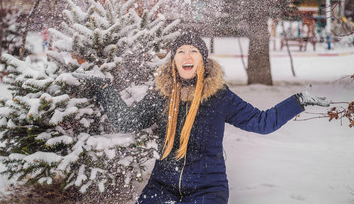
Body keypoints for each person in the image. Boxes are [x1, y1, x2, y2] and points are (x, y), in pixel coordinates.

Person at [76, 32, 330, 204]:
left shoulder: (219, 96)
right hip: (162, 185)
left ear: (202, 59)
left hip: (207, 189)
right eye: (181, 52)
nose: (187, 56)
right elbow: (126, 121)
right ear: (174, 60)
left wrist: (298, 102)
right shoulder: (161, 95)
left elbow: (262, 122)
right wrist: (103, 88)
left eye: (194, 51)